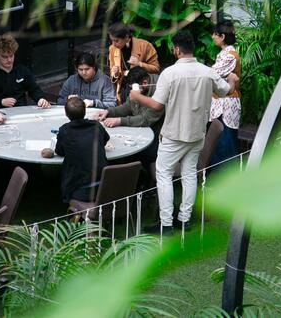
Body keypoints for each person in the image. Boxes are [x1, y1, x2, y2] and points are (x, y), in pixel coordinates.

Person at [129, 30, 237, 234]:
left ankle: (166, 223)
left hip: (174, 135)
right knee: (189, 174)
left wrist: (136, 96)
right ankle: (184, 220)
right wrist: (232, 80)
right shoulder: (207, 71)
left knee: (164, 175)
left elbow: (156, 105)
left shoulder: (169, 73)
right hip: (197, 134)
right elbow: (226, 90)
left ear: (176, 49)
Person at [93, 66, 164, 166]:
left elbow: (146, 119)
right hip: (142, 130)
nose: (132, 92)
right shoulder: (139, 87)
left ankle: (140, 178)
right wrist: (109, 112)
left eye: (132, 89)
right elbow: (127, 107)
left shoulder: (159, 90)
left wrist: (119, 121)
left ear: (144, 83)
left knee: (133, 154)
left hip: (159, 135)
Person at [55, 97, 110, 203]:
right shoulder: (96, 126)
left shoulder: (65, 130)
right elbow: (105, 140)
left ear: (66, 114)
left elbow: (60, 151)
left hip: (79, 188)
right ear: (85, 112)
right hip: (103, 184)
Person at [0, 34, 50, 109]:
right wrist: (1, 102)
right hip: (0, 113)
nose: (9, 60)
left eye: (11, 56)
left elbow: (34, 89)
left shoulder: (22, 70)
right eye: (5, 57)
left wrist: (40, 99)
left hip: (22, 110)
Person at [209, 20, 241, 167]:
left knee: (225, 140)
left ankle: (224, 175)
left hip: (226, 104)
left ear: (222, 36)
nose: (212, 37)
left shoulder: (230, 56)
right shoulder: (224, 53)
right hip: (221, 102)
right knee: (220, 139)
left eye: (214, 34)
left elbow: (213, 73)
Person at [108, 22, 160, 104]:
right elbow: (112, 71)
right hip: (123, 86)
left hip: (141, 86)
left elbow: (156, 69)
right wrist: (115, 74)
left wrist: (139, 64)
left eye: (116, 41)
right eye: (112, 41)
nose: (113, 44)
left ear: (126, 37)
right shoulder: (112, 49)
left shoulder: (145, 46)